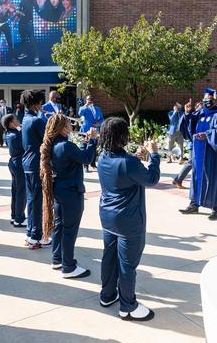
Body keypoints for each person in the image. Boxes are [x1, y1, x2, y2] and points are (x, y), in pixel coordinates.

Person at [97, 117, 160, 321]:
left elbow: (123, 169)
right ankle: (128, 306)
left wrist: (135, 156)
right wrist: (154, 154)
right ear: (122, 137)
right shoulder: (129, 163)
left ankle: (107, 295)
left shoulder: (102, 157)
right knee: (127, 264)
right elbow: (151, 179)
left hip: (107, 216)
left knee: (109, 257)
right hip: (128, 220)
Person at [40, 114, 97, 279]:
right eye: (69, 124)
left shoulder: (53, 145)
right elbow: (86, 158)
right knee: (69, 230)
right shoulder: (66, 145)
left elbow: (78, 156)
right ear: (63, 128)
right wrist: (93, 140)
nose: (72, 126)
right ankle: (68, 266)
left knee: (60, 226)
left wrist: (86, 142)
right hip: (71, 192)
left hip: (60, 190)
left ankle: (57, 259)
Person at [179, 88, 217, 221]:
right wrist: (187, 114)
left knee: (215, 178)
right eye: (204, 98)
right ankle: (194, 204)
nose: (206, 101)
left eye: (209, 99)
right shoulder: (201, 113)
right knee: (197, 178)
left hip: (215, 154)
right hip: (199, 152)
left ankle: (216, 209)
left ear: (216, 100)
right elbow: (189, 129)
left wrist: (207, 134)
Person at [22, 90, 51, 249]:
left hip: (27, 164)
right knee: (37, 201)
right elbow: (49, 140)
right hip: (35, 165)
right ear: (35, 103)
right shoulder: (37, 121)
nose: (42, 105)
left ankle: (31, 233)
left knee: (32, 201)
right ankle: (36, 236)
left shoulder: (26, 118)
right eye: (41, 102)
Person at [3, 114, 26, 227]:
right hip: (19, 164)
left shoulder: (9, 134)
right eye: (16, 120)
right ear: (11, 123)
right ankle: (20, 218)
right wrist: (21, 128)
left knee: (16, 191)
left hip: (14, 163)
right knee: (22, 192)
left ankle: (14, 215)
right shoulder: (17, 134)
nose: (18, 120)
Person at [17, 0, 40, 65]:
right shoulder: (21, 2)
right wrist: (18, 12)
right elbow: (19, 13)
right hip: (21, 23)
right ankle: (24, 53)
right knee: (23, 40)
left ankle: (36, 57)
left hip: (28, 23)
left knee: (32, 40)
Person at [78, 95, 104, 171]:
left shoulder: (97, 109)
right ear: (86, 100)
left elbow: (102, 118)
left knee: (94, 147)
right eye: (88, 99)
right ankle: (85, 165)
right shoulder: (84, 108)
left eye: (91, 99)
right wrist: (86, 105)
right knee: (85, 146)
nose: (90, 100)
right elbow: (80, 113)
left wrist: (98, 123)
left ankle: (92, 164)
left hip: (95, 131)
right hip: (85, 130)